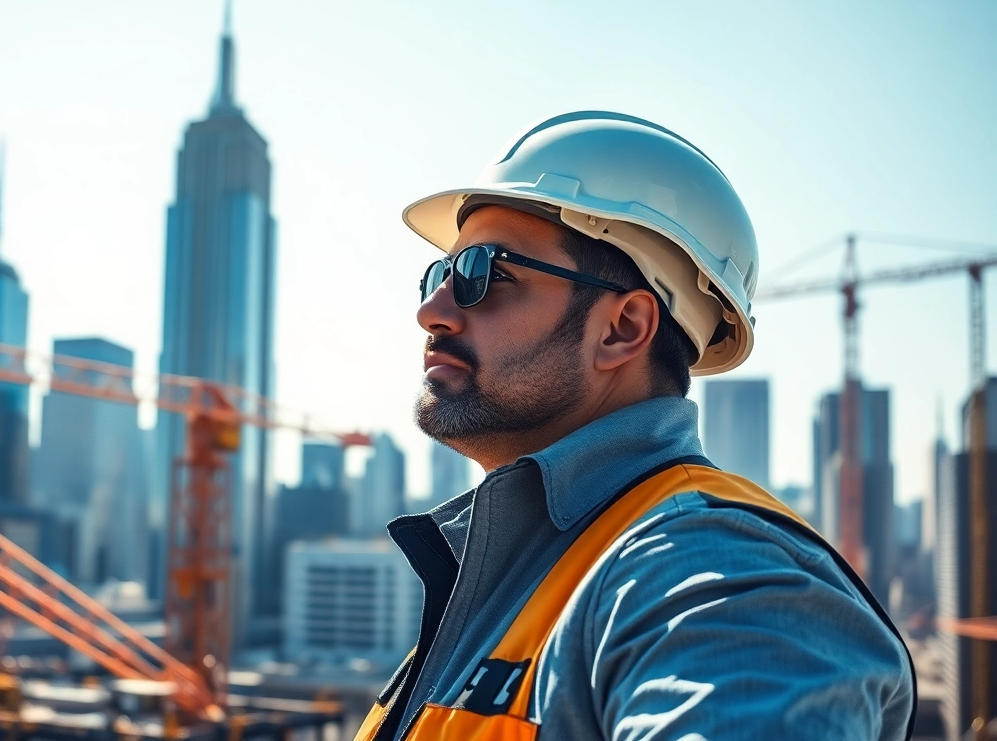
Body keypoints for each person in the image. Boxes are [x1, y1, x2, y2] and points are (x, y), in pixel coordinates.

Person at [355, 112, 915, 740]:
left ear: (622, 329)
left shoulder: (708, 572)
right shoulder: (511, 581)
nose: (431, 312)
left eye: (485, 273)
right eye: (441, 275)